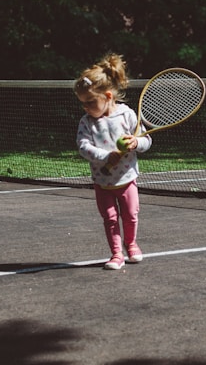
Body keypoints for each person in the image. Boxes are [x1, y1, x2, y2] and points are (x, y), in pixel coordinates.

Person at [74, 53, 152, 270]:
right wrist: (105, 156)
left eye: (90, 102)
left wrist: (136, 143)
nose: (86, 107)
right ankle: (116, 254)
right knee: (110, 218)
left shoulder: (126, 115)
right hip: (103, 182)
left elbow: (147, 141)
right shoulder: (86, 122)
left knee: (131, 215)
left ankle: (131, 244)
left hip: (127, 179)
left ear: (107, 96)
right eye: (83, 103)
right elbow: (83, 147)